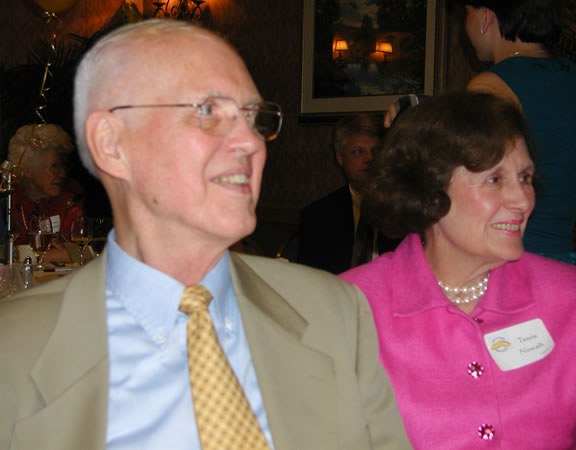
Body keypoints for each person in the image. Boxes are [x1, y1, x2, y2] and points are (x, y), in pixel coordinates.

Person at [0, 20, 411, 450]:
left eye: (253, 118)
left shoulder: (335, 314)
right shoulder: (14, 350)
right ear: (111, 143)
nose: (251, 143)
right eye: (209, 112)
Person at [340, 92, 576, 448]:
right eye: (494, 180)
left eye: (525, 177)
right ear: (429, 192)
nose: (523, 201)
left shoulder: (574, 296)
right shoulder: (352, 307)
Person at [457, 0, 576, 263]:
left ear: (486, 15)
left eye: (467, 13)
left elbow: (469, 187)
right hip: (561, 263)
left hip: (510, 263)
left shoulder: (491, 87)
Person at [298, 114, 400, 274]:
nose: (370, 158)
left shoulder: (404, 208)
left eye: (376, 151)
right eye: (359, 152)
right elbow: (309, 279)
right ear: (340, 158)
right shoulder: (318, 215)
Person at [6, 123, 84, 263]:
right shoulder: (9, 198)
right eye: (55, 166)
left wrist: (29, 255)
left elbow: (82, 252)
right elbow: (5, 255)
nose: (62, 173)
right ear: (27, 169)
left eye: (64, 165)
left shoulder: (71, 194)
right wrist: (53, 255)